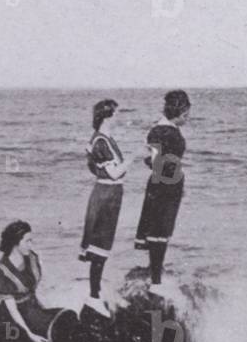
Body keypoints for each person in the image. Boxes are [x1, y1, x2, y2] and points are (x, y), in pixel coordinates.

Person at [0, 221, 78, 342]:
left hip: (31, 309)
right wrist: (30, 335)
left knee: (67, 318)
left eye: (32, 241)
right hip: (9, 318)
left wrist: (43, 310)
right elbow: (12, 309)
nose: (31, 245)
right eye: (27, 241)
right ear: (16, 243)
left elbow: (33, 293)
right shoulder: (2, 272)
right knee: (20, 341)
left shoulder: (31, 258)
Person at [135, 90, 191, 296]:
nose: (187, 117)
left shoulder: (162, 129)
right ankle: (156, 280)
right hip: (164, 185)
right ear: (178, 111)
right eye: (185, 113)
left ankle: (156, 272)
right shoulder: (160, 131)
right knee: (159, 231)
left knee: (161, 230)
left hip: (167, 183)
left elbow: (154, 160)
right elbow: (156, 162)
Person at [79, 99, 130, 318]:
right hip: (106, 196)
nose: (118, 117)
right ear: (107, 116)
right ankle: (93, 297)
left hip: (109, 195)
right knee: (99, 248)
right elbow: (114, 173)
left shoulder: (103, 139)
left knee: (101, 248)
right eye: (116, 113)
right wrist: (133, 159)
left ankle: (95, 293)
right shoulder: (101, 141)